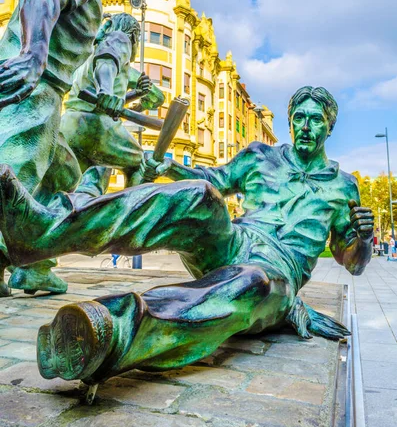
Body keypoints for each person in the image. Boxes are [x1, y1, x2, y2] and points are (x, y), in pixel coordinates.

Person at [0, 86, 374, 385]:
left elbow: (350, 261)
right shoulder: (261, 155)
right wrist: (171, 167)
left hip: (277, 272)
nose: (306, 126)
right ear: (291, 123)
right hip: (235, 241)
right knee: (201, 196)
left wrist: (363, 240)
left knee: (251, 281)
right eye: (299, 118)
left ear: (329, 126)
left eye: (316, 120)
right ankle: (41, 234)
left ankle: (110, 332)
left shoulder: (343, 188)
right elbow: (218, 180)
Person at [0, 0, 128, 296]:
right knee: (16, 174)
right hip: (33, 87)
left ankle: (35, 265)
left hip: (50, 97)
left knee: (64, 174)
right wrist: (34, 51)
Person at [60, 12, 165, 188]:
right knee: (140, 164)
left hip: (70, 127)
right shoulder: (119, 38)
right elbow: (107, 62)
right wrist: (106, 90)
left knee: (87, 181)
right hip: (96, 127)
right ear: (134, 35)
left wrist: (137, 94)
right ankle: (131, 214)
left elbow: (109, 102)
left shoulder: (90, 53)